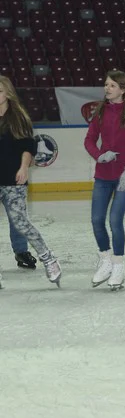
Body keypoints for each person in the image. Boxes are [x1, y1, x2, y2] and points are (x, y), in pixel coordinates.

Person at [0, 75, 61, 289]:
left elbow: (28, 147)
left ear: (7, 93)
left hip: (13, 180)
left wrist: (24, 167)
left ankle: (48, 258)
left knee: (20, 223)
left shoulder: (19, 117)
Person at [84, 70, 125, 291]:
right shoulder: (100, 111)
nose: (107, 88)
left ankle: (118, 265)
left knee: (115, 220)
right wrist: (100, 155)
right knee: (97, 220)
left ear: (123, 89)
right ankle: (105, 260)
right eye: (106, 85)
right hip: (103, 175)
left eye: (112, 85)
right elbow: (89, 140)